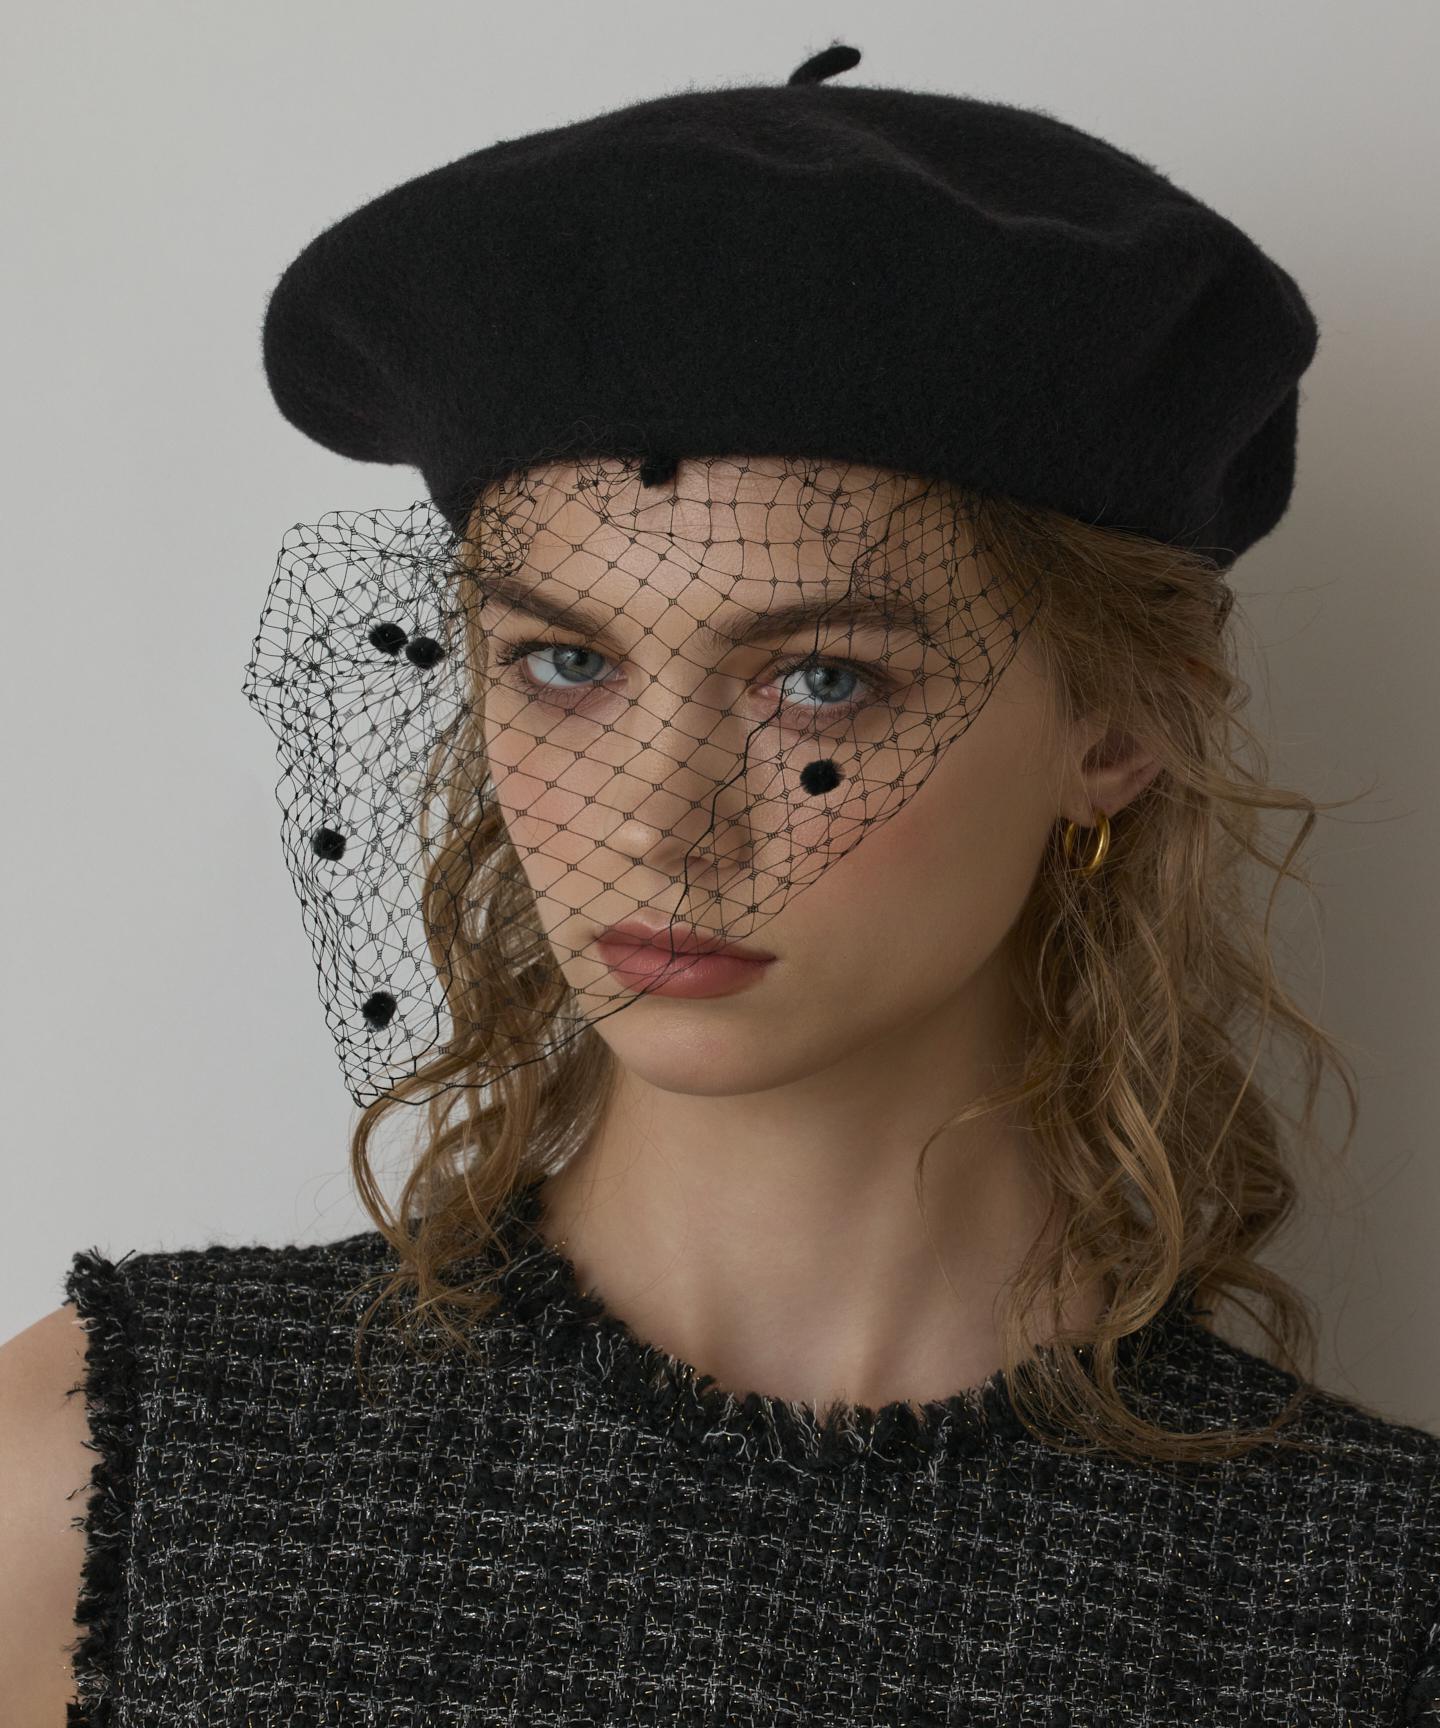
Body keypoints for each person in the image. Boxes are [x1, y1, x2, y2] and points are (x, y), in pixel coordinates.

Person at [3, 41, 1438, 1728]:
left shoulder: (1369, 1608)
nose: (657, 826)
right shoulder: (105, 1478)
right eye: (565, 664)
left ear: (1118, 728)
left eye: (821, 681)